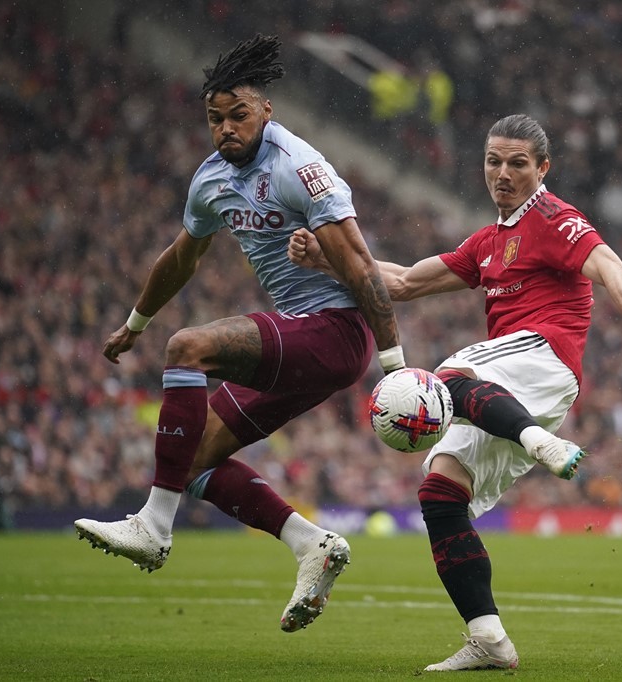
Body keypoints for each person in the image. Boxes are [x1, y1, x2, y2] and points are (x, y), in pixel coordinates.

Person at [290, 114, 622, 670]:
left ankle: (538, 442)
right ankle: (490, 639)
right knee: (440, 493)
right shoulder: (487, 243)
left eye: (517, 163)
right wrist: (327, 259)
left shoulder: (554, 218)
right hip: (509, 384)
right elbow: (401, 282)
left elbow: (614, 269)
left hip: (543, 358)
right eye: (494, 161)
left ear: (542, 168)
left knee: (447, 379)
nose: (503, 173)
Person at [74, 34, 405, 633]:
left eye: (238, 116)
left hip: (336, 331)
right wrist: (132, 325)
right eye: (214, 119)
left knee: (188, 348)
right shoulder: (211, 179)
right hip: (304, 342)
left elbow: (358, 265)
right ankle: (312, 545)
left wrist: (395, 364)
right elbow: (181, 258)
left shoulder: (301, 169)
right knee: (191, 460)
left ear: (266, 111)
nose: (225, 128)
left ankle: (153, 526)